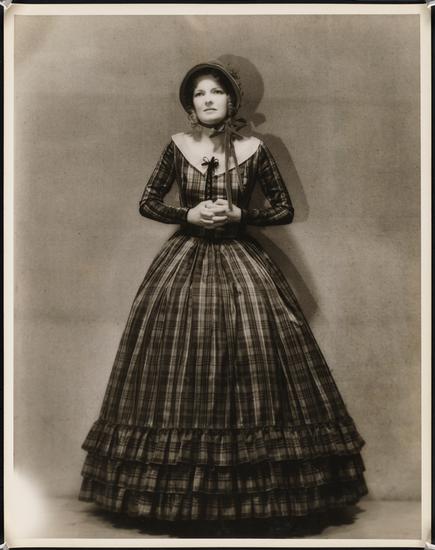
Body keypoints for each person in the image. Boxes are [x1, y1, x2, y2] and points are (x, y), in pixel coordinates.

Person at [78, 60, 368, 537]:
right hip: (182, 263)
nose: (208, 99)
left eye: (216, 92)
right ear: (190, 105)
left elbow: (283, 208)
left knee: (253, 353)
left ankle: (255, 499)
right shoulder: (177, 146)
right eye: (199, 94)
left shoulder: (255, 149)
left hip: (241, 258)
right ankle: (177, 497)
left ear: (232, 100)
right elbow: (148, 201)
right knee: (176, 360)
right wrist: (188, 215)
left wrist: (239, 215)